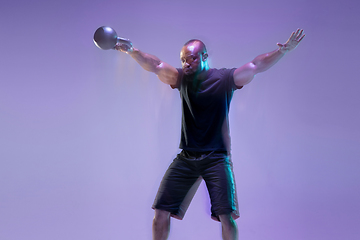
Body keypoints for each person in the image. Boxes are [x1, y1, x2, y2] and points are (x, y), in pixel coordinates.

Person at [115, 29, 305, 240]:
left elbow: (255, 66)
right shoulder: (181, 79)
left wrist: (284, 51)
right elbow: (156, 65)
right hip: (186, 158)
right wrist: (132, 50)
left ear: (205, 56)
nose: (186, 63)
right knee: (160, 212)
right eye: (183, 60)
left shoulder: (224, 79)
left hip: (216, 158)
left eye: (191, 58)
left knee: (226, 216)